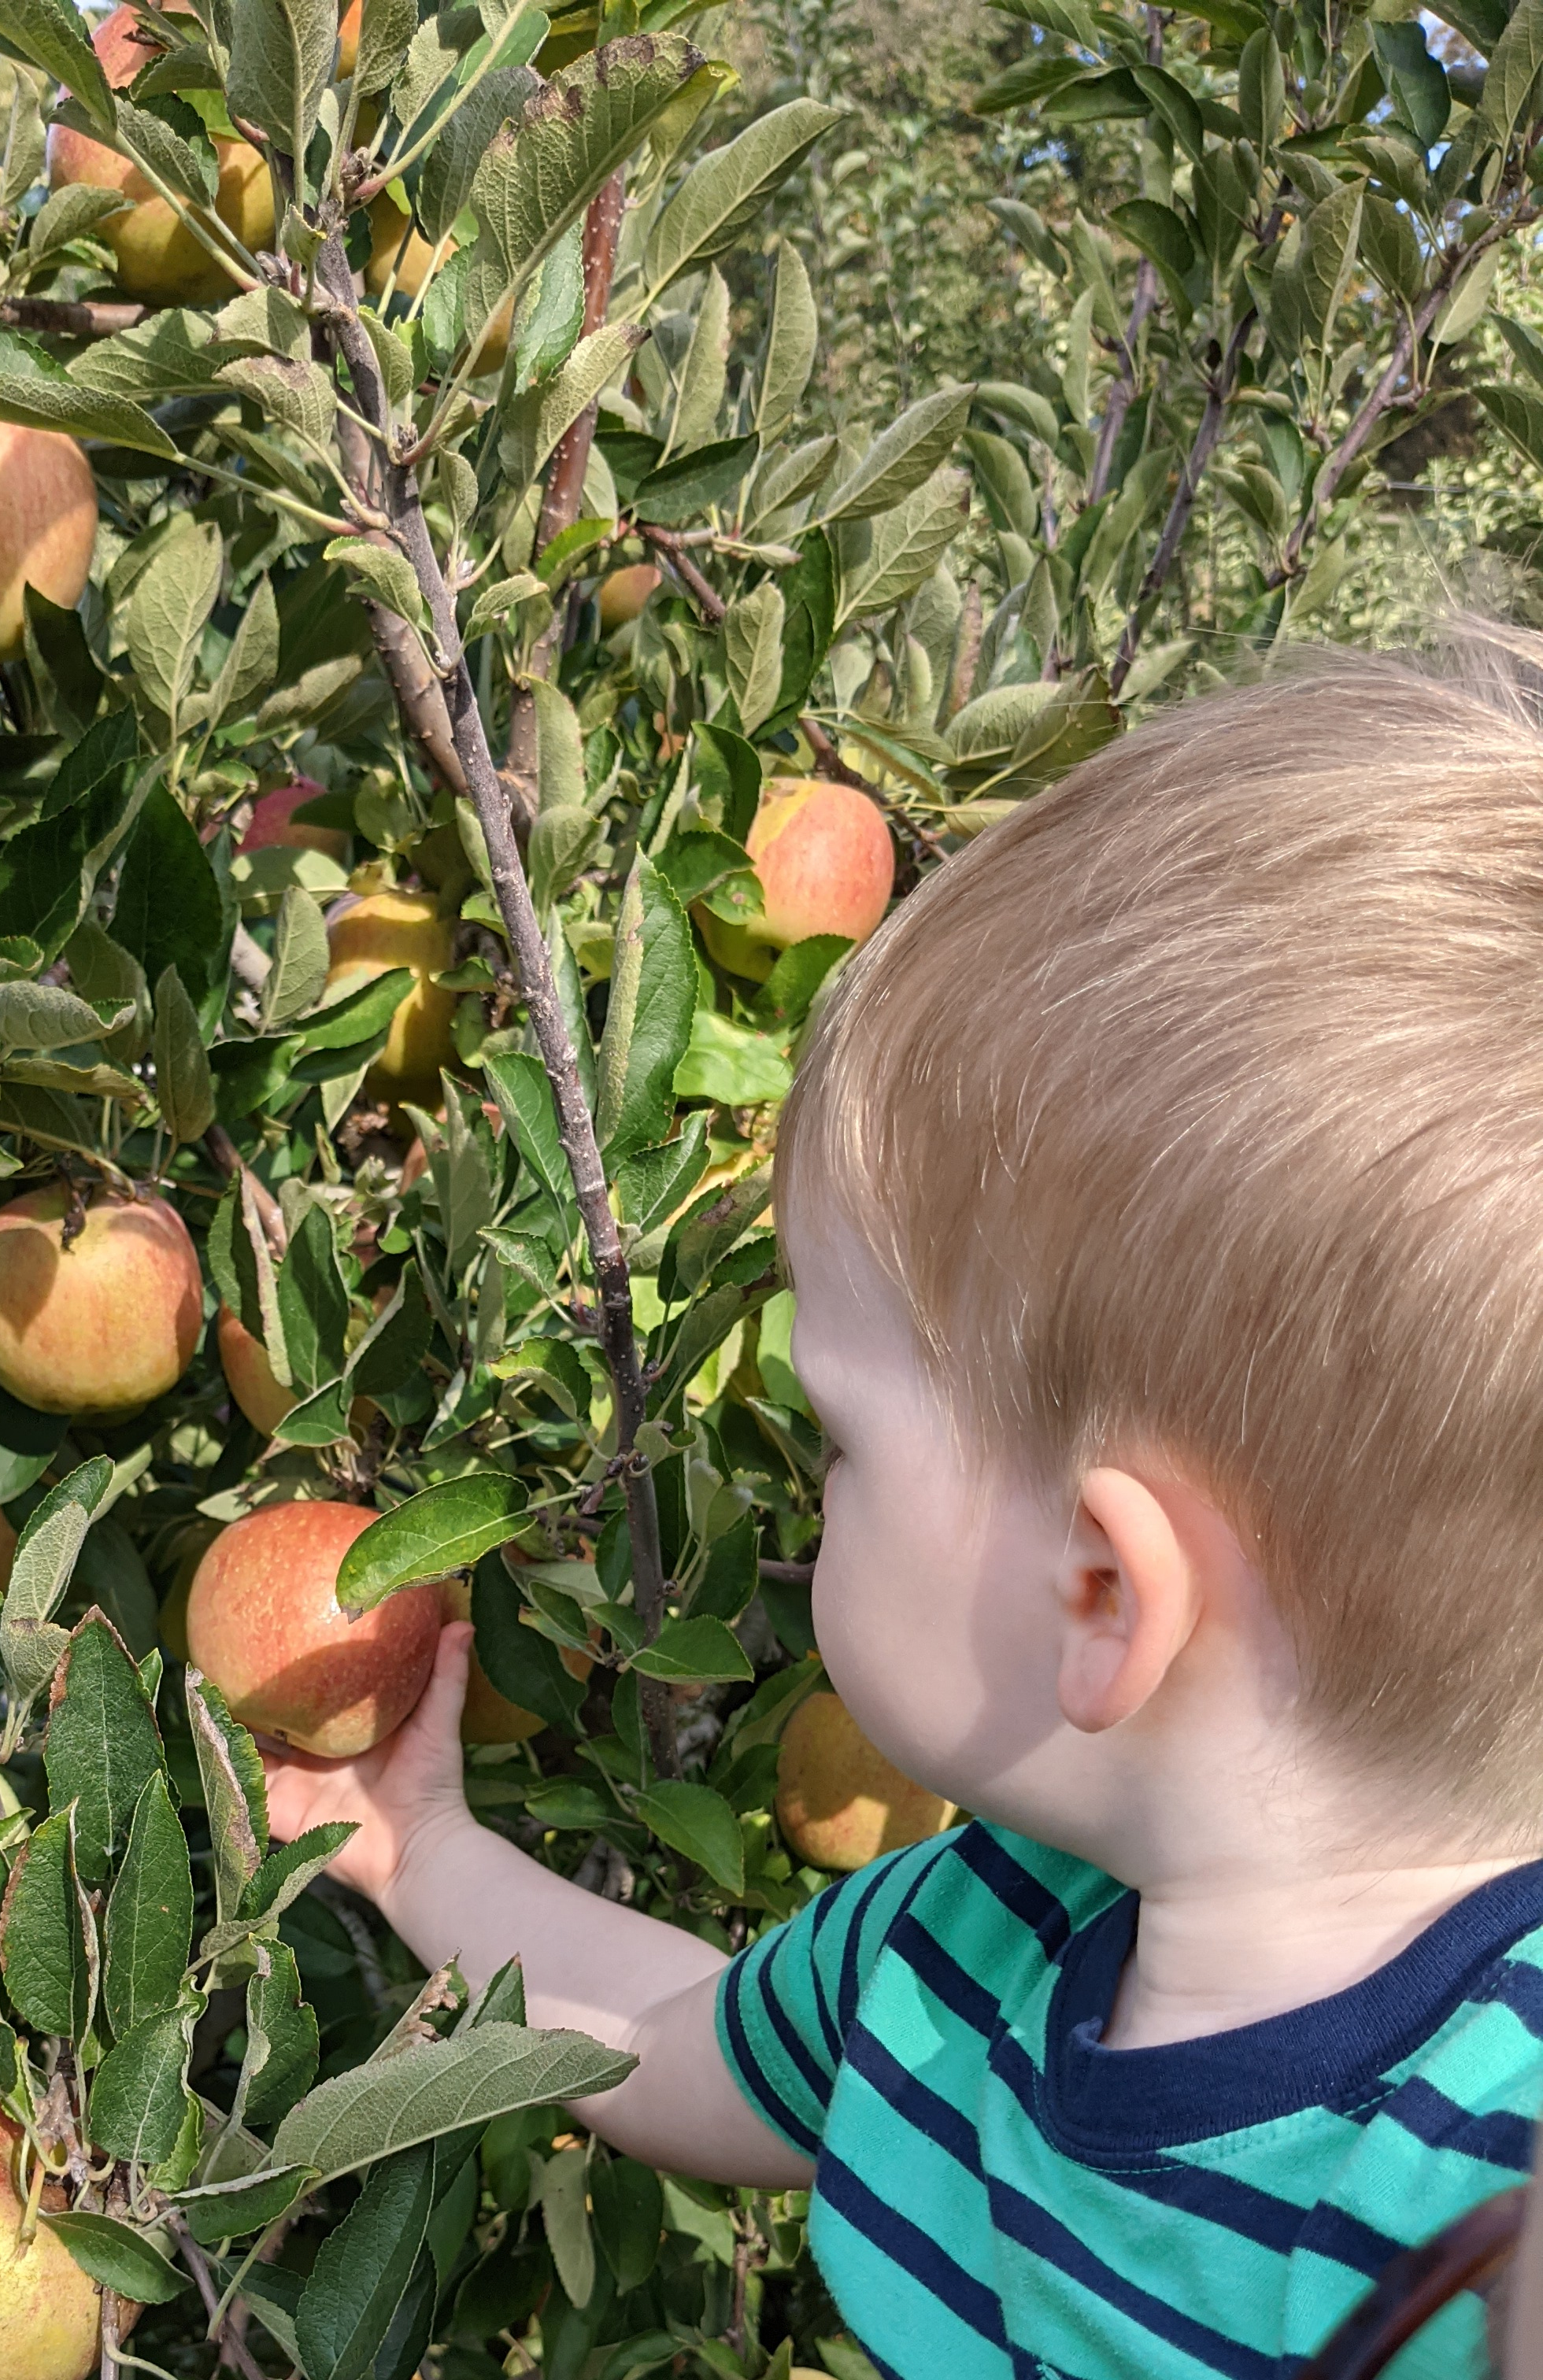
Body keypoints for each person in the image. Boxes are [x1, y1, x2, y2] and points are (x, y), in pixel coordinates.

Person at [268, 627, 1543, 2379]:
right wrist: (422, 1852)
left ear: (1103, 1595)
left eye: (845, 1436)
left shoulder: (1486, 2167)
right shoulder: (969, 1944)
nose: (814, 1484)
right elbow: (652, 2035)